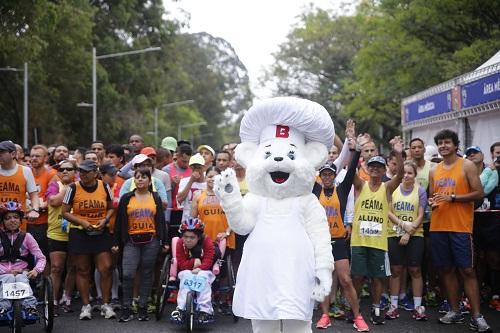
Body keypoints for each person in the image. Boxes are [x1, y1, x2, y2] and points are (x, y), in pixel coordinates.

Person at [428, 129, 490, 331]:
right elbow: (433, 197)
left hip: (461, 227)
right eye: (440, 143)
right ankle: (455, 310)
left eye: (447, 142)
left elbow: (479, 193)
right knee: (446, 270)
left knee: (467, 270)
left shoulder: (467, 165)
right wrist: (432, 202)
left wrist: (453, 198)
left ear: (455, 145)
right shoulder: (433, 170)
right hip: (439, 226)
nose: (443, 146)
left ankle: (477, 316)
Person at [313, 138, 369, 332]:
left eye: (330, 174)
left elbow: (352, 168)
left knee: (345, 279)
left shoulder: (342, 189)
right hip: (321, 242)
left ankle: (358, 316)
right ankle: (325, 315)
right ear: (320, 176)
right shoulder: (315, 190)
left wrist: (356, 150)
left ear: (334, 175)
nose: (327, 177)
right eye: (324, 174)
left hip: (338, 241)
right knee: (324, 279)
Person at [350, 134, 404, 325]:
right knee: (356, 276)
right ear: (366, 167)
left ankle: (376, 309)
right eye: (371, 165)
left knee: (377, 278)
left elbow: (401, 175)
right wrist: (355, 148)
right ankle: (354, 309)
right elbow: (350, 170)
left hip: (378, 242)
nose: (374, 169)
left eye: (379, 166)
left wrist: (398, 153)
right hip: (358, 241)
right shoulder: (360, 185)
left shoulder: (387, 187)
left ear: (383, 170)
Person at [62, 159, 116, 320]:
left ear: (96, 173)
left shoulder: (104, 186)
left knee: (106, 267)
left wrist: (104, 220)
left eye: (86, 171)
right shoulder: (73, 188)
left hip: (100, 232)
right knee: (82, 269)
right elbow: (64, 212)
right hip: (79, 233)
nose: (83, 174)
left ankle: (106, 304)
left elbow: (111, 208)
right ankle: (86, 306)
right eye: (81, 171)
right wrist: (82, 222)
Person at [113, 168, 168, 322]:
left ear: (150, 181)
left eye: (144, 177)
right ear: (133, 181)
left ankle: (142, 308)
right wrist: (116, 242)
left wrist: (164, 241)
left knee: (146, 274)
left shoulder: (155, 197)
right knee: (128, 274)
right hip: (131, 241)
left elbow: (161, 221)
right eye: (137, 177)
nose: (140, 180)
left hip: (152, 240)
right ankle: (127, 308)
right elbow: (119, 222)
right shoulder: (126, 198)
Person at [386, 161, 427, 321]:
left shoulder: (420, 191)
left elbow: (421, 215)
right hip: (394, 233)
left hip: (415, 235)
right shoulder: (392, 189)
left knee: (415, 270)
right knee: (396, 270)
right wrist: (403, 225)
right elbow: (388, 212)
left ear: (415, 175)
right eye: (403, 173)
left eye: (410, 173)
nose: (406, 176)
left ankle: (418, 307)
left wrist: (408, 233)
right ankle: (393, 306)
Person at [0, 201, 46, 321]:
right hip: (2, 273)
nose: (12, 220)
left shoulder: (27, 237)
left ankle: (30, 307)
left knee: (21, 278)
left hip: (22, 272)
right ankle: (3, 308)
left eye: (15, 217)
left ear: (20, 220)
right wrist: (6, 271)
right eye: (7, 218)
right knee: (8, 278)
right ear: (2, 221)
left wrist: (36, 270)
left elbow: (41, 257)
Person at [46, 160, 78, 313]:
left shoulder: (80, 186)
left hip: (75, 233)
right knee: (56, 268)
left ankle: (67, 298)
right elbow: (54, 201)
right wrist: (68, 188)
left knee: (72, 267)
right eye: (62, 169)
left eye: (69, 169)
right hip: (56, 233)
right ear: (58, 172)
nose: (65, 171)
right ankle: (53, 300)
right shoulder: (54, 185)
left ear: (75, 172)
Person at [170, 218, 215, 324]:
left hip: (204, 270)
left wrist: (200, 268)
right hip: (186, 270)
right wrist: (194, 262)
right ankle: (180, 309)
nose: (188, 240)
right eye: (185, 237)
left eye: (192, 237)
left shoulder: (207, 241)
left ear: (198, 237)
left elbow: (208, 260)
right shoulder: (180, 243)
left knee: (203, 278)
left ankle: (205, 311)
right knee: (185, 277)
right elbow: (181, 263)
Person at [0, 140, 40, 228]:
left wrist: (35, 210)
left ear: (13, 154)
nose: (0, 154)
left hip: (17, 224)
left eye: (2, 152)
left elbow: (34, 195)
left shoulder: (25, 171)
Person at [28, 144, 57, 260]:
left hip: (44, 222)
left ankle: (43, 279)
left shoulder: (52, 174)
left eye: (37, 156)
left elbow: (51, 199)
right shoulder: (25, 172)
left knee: (43, 257)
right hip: (26, 222)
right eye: (32, 156)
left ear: (45, 158)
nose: (34, 158)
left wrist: (37, 207)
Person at [163, 143, 192, 231]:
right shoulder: (167, 170)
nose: (186, 164)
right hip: (173, 210)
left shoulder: (193, 168)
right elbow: (163, 192)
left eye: (188, 161)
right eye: (183, 161)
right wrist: (173, 183)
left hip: (189, 209)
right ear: (177, 156)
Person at [177, 154, 207, 223]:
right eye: (193, 168)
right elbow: (179, 199)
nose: (196, 170)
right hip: (187, 221)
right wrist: (191, 181)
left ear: (204, 168)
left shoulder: (208, 183)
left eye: (199, 167)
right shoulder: (184, 181)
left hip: (204, 220)